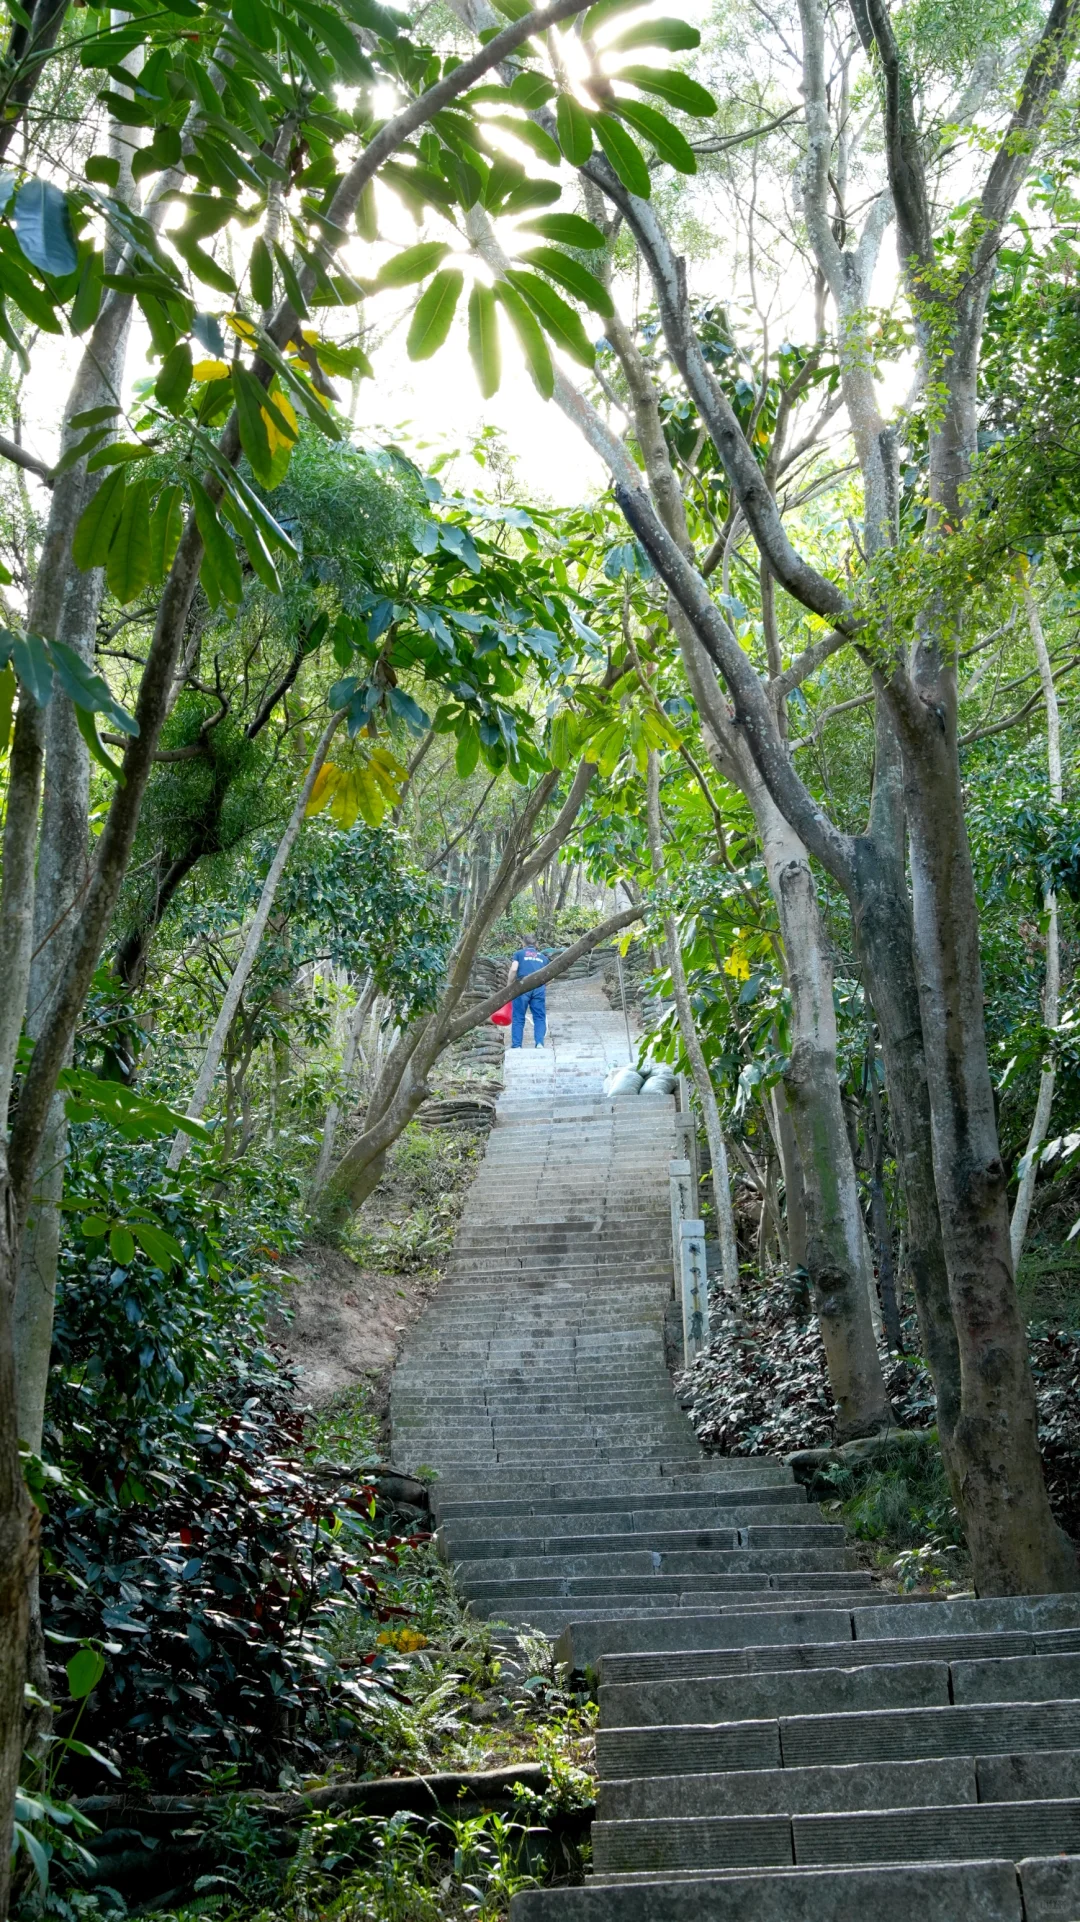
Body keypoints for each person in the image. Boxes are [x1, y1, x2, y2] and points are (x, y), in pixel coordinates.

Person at [507, 935, 548, 1048]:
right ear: (537, 945)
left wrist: (509, 984)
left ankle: (517, 1045)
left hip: (522, 987)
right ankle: (539, 1043)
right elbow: (550, 976)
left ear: (523, 944)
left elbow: (514, 969)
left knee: (518, 1016)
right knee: (539, 1016)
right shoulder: (543, 958)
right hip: (538, 987)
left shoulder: (519, 954)